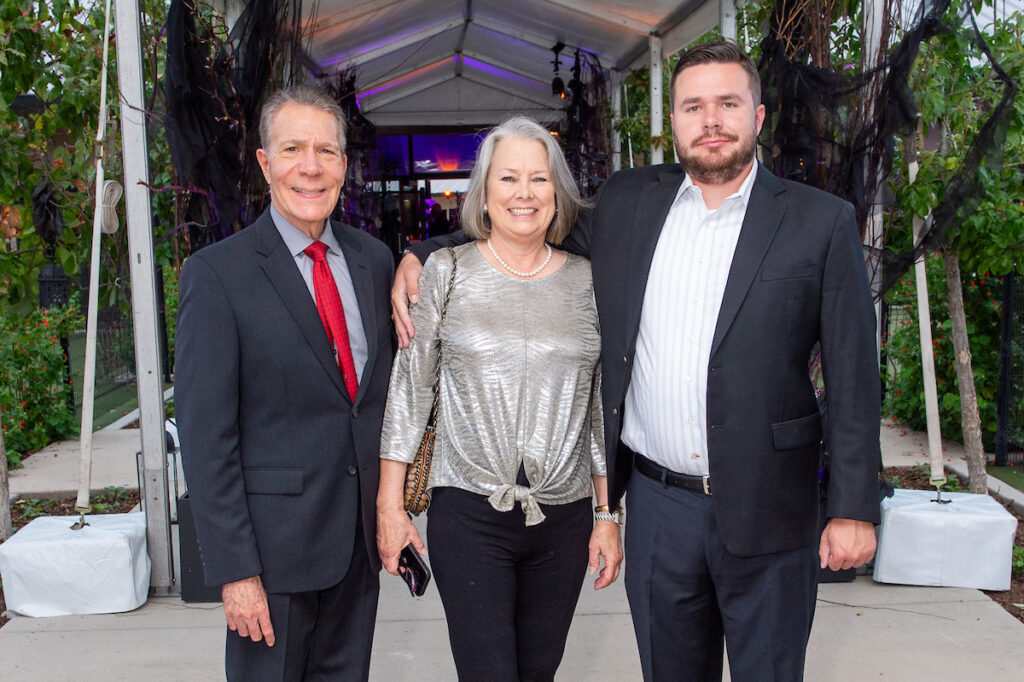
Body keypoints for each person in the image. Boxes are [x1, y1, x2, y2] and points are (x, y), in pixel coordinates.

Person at [392, 42, 881, 681]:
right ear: (672, 121)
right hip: (657, 508)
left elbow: (851, 378)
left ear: (758, 117)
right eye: (693, 106)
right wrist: (422, 250)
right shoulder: (629, 203)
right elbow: (528, 218)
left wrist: (853, 508)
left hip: (771, 506)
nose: (710, 120)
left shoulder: (819, 222)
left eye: (727, 104)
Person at [376, 116, 623, 682]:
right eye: (508, 178)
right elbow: (409, 393)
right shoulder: (446, 270)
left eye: (539, 179)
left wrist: (607, 516)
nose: (524, 193)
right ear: (483, 195)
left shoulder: (590, 280)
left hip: (563, 517)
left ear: (557, 196)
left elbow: (598, 409)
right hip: (468, 514)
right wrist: (390, 509)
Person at [175, 84, 395, 681]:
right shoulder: (217, 275)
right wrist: (235, 571)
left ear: (345, 167)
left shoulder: (374, 261)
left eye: (327, 151)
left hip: (356, 551)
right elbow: (205, 437)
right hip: (270, 563)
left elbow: (375, 400)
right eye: (293, 148)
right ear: (266, 164)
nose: (311, 166)